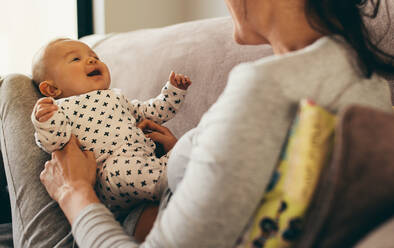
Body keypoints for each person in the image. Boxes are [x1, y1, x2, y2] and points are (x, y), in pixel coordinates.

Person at [11, 0, 394, 247]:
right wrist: (186, 150)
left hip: (102, 220)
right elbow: (251, 170)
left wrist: (75, 192)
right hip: (147, 183)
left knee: (13, 90)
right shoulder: (368, 82)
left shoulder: (264, 89)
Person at [31, 38, 191, 217]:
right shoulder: (60, 108)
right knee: (119, 170)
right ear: (52, 90)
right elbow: (54, 141)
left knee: (190, 142)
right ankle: (170, 180)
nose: (92, 60)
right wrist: (44, 119)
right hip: (108, 175)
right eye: (75, 59)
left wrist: (173, 92)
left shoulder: (117, 97)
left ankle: (172, 171)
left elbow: (152, 112)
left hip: (146, 160)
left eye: (95, 56)